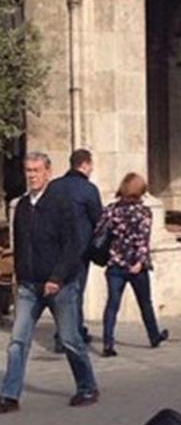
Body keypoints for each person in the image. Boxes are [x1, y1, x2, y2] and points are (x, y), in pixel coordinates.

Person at [0, 152, 99, 413]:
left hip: (60, 285)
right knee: (18, 341)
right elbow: (21, 244)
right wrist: (20, 276)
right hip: (29, 285)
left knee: (70, 339)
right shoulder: (22, 206)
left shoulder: (61, 204)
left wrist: (57, 277)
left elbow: (73, 244)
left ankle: (87, 387)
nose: (32, 175)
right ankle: (10, 395)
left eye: (36, 170)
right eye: (28, 170)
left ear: (48, 172)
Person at [97, 172, 168, 357]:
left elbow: (99, 231)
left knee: (112, 304)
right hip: (136, 265)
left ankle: (108, 343)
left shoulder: (111, 210)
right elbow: (143, 239)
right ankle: (154, 336)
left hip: (115, 263)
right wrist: (139, 262)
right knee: (145, 303)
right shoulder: (143, 212)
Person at [53, 149, 102, 352]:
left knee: (60, 291)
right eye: (91, 165)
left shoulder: (54, 187)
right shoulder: (88, 189)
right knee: (76, 292)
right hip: (80, 248)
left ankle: (68, 331)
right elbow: (98, 220)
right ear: (85, 164)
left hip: (56, 248)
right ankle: (69, 335)